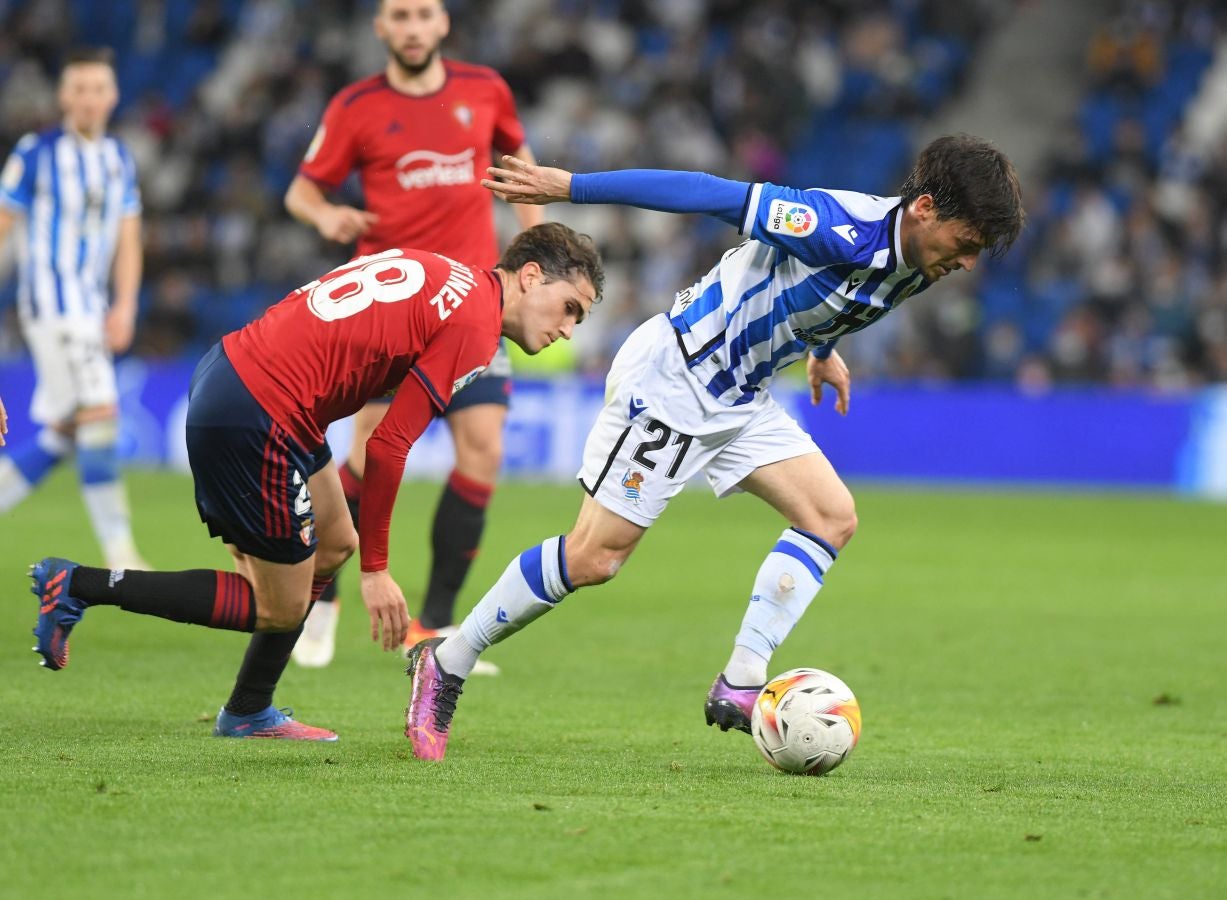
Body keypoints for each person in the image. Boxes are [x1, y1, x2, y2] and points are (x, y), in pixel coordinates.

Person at [403, 135, 1025, 760]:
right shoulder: (835, 226)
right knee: (594, 559)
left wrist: (822, 351)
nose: (968, 263)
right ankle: (447, 661)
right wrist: (573, 187)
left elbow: (825, 297)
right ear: (922, 208)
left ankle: (742, 681)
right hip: (679, 375)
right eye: (966, 244)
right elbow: (707, 193)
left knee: (831, 517)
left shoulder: (919, 261)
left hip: (740, 394)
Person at [29, 223, 603, 742]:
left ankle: (250, 709)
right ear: (530, 277)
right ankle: (79, 583)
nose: (569, 329)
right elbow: (388, 444)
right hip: (261, 411)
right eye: (570, 308)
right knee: (278, 607)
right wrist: (378, 573)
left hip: (240, 374)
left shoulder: (446, 273)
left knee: (334, 542)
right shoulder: (476, 328)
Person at [283, 0, 543, 670]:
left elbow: (521, 168)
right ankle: (322, 593)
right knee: (369, 457)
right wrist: (328, 217)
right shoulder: (355, 106)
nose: (412, 26)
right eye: (399, 15)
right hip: (392, 315)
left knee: (482, 450)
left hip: (476, 307)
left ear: (442, 24)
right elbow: (301, 192)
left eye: (423, 14)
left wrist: (535, 237)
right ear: (381, 28)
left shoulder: (485, 91)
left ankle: (435, 627)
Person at [0, 48, 146, 570]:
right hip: (52, 305)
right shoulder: (35, 154)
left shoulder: (118, 158)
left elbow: (129, 237)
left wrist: (125, 304)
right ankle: (121, 555)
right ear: (63, 95)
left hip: (93, 305)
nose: (88, 99)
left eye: (97, 88)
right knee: (100, 410)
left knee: (64, 434)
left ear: (112, 95)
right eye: (78, 88)